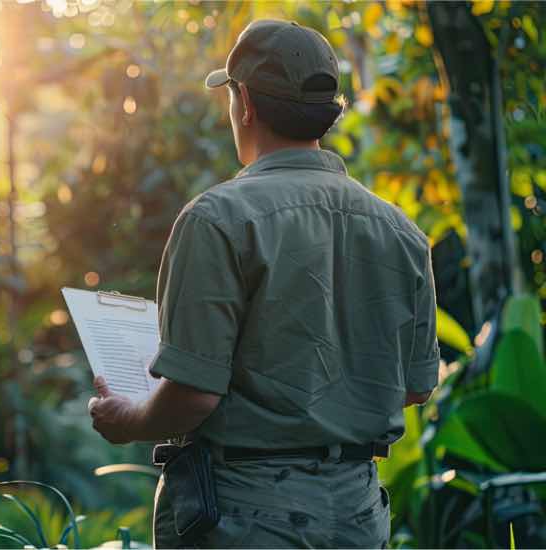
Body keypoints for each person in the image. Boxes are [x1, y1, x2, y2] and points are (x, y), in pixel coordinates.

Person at [87, 19, 439, 549]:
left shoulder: (218, 219)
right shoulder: (401, 231)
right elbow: (415, 386)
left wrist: (129, 419)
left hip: (247, 518)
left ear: (245, 103)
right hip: (358, 516)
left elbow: (194, 397)